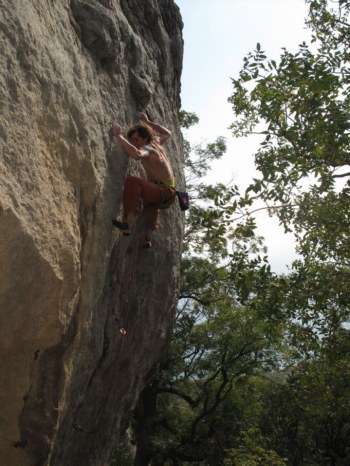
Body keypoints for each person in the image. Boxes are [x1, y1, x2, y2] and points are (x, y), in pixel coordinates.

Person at [112, 112, 176, 248]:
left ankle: (127, 224)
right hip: (167, 193)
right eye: (133, 140)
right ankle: (148, 238)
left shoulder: (149, 146)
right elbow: (167, 133)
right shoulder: (155, 144)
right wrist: (147, 122)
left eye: (136, 139)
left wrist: (119, 136)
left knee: (132, 182)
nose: (134, 143)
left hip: (163, 191)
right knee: (152, 206)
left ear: (145, 136)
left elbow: (137, 154)